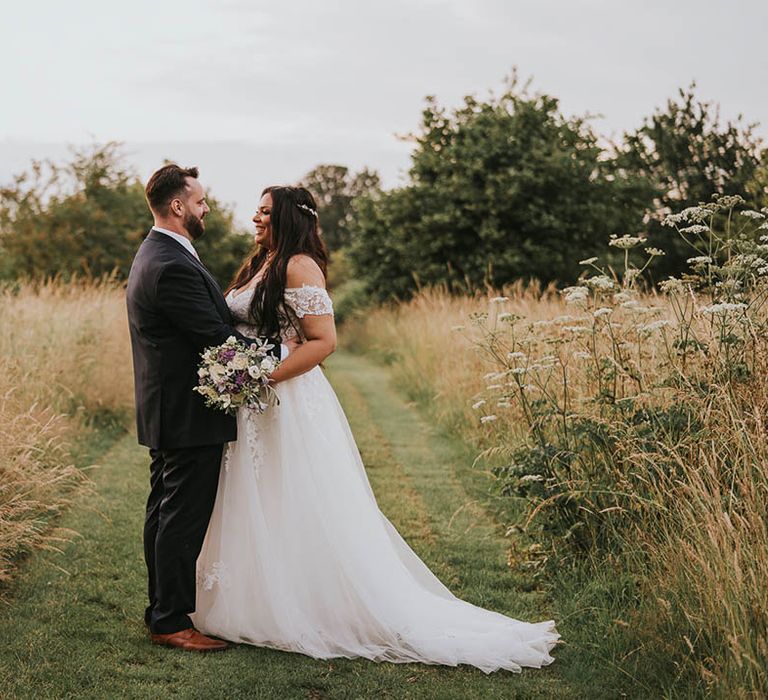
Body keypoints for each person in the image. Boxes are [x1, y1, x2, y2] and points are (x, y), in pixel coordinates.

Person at [193, 185, 559, 673]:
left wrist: (261, 376)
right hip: (254, 397)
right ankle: (259, 593)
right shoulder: (262, 262)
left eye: (263, 212)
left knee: (294, 493)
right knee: (256, 494)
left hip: (285, 396)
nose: (254, 218)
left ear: (286, 218)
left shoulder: (299, 265)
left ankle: (307, 603)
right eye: (256, 211)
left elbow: (324, 341)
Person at [125, 165, 289, 652]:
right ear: (178, 206)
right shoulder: (171, 263)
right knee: (181, 517)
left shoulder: (157, 252)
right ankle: (171, 621)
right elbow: (217, 339)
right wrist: (288, 352)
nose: (207, 208)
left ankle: (162, 610)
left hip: (168, 408)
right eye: (200, 201)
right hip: (188, 411)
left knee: (164, 511)